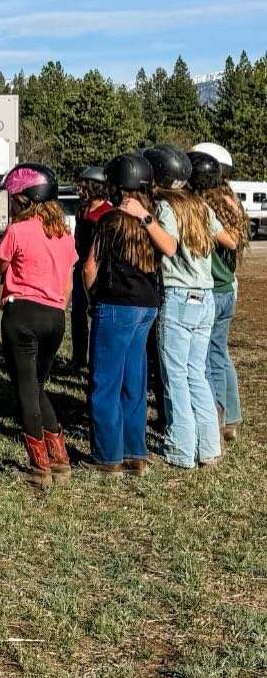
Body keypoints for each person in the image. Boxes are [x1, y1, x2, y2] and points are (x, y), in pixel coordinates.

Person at [144, 145, 237, 469]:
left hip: (179, 295)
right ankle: (209, 447)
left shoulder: (166, 207)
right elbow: (227, 238)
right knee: (196, 373)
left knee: (175, 376)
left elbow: (169, 246)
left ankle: (180, 449)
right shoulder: (200, 205)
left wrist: (145, 219)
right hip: (205, 296)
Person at [0, 164, 77, 487]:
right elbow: (67, 282)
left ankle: (39, 467)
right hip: (55, 316)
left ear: (24, 199)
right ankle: (60, 459)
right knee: (38, 386)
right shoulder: (63, 234)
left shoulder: (18, 230)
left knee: (26, 391)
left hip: (22, 314)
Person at [82, 154, 162, 477]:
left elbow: (90, 267)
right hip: (147, 306)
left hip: (115, 304)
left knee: (105, 382)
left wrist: (92, 299)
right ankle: (135, 453)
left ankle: (107, 456)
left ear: (116, 186)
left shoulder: (110, 221)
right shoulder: (150, 220)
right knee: (134, 380)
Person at [188, 148, 249, 443]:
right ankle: (232, 417)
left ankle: (216, 417)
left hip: (211, 290)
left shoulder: (203, 209)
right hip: (227, 289)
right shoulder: (229, 204)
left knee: (208, 359)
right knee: (220, 354)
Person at [68, 166, 109, 372]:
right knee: (78, 312)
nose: (80, 188)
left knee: (97, 313)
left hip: (99, 269)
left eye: (84, 185)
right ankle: (78, 357)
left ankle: (96, 359)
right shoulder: (82, 210)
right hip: (80, 266)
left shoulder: (107, 212)